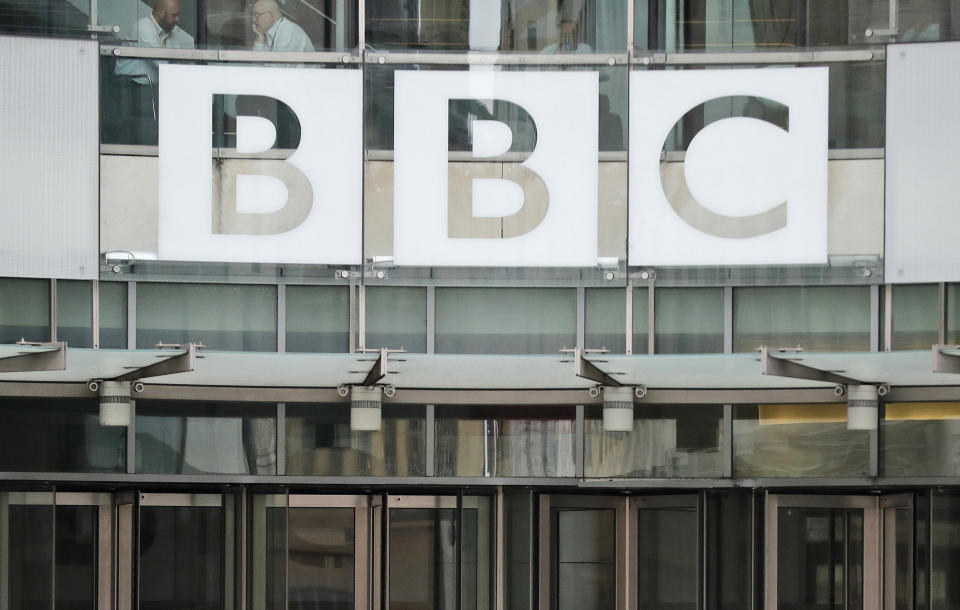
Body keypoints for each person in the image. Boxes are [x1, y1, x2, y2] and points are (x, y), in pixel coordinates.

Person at [114, 0, 195, 86]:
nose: (177, 19)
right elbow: (162, 64)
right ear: (161, 13)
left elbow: (178, 59)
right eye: (174, 15)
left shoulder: (169, 31)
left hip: (150, 87)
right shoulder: (142, 28)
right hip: (130, 86)